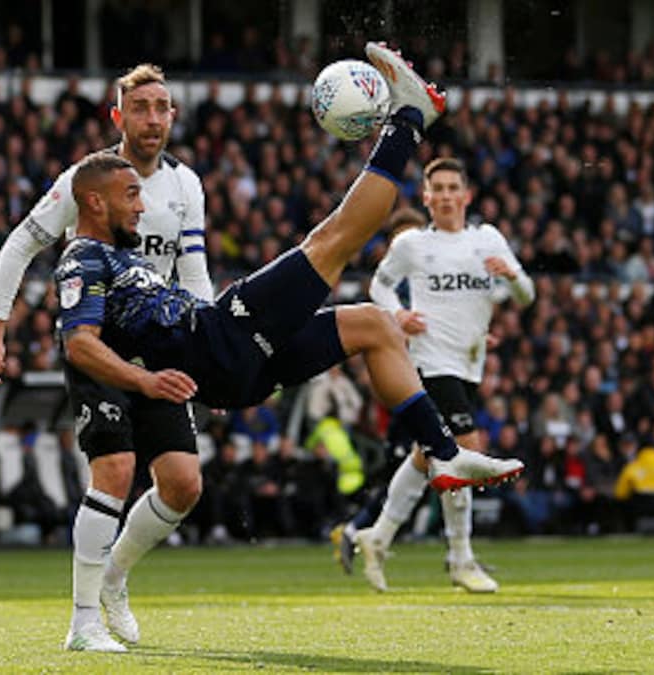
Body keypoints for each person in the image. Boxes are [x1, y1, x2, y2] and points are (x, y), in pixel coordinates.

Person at [54, 44, 524, 651]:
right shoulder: (83, 258)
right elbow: (79, 345)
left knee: (374, 326)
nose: (141, 204)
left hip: (228, 355)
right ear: (94, 202)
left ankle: (442, 452)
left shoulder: (122, 256)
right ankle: (409, 119)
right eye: (128, 197)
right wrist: (145, 382)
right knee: (332, 240)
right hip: (217, 342)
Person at [0, 64, 214, 652]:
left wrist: (210, 348)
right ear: (119, 117)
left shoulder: (186, 186)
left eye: (162, 107)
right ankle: (82, 623)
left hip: (158, 348)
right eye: (140, 108)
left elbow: (195, 273)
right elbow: (20, 244)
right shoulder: (88, 180)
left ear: (173, 116)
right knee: (113, 469)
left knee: (184, 485)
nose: (153, 119)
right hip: (98, 339)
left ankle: (113, 576)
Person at [335, 156, 536, 593]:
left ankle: (377, 535)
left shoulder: (487, 240)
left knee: (426, 455)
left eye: (452, 188)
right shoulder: (412, 246)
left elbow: (525, 296)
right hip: (428, 361)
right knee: (463, 449)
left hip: (469, 364)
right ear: (425, 198)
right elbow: (378, 286)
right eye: (437, 189)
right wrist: (397, 315)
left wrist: (514, 276)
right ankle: (460, 557)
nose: (445, 196)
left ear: (466, 195)